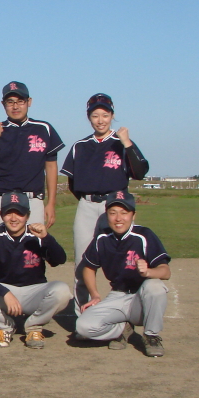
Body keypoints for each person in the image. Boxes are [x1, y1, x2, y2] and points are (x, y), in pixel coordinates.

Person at [60, 94, 149, 315]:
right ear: (89, 117)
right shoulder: (80, 146)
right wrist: (88, 199)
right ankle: (82, 315)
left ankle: (124, 314)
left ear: (112, 115)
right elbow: (73, 183)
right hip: (87, 205)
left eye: (105, 115)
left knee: (122, 259)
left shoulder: (122, 143)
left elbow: (139, 172)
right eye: (95, 115)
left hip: (115, 206)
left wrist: (127, 142)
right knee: (82, 261)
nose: (100, 120)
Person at [0, 191, 70, 349]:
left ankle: (33, 327)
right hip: (5, 292)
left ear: (27, 215)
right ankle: (5, 326)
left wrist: (47, 238)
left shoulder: (36, 235)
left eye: (19, 213)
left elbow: (60, 259)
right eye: (8, 213)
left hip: (34, 292)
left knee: (62, 290)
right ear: (1, 214)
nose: (13, 218)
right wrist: (5, 293)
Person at [76, 191, 170, 357]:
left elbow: (165, 271)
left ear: (133, 215)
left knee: (155, 286)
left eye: (124, 212)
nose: (118, 218)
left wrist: (149, 272)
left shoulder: (144, 235)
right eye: (113, 213)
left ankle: (151, 336)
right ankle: (122, 329)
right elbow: (89, 267)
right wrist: (95, 295)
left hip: (141, 297)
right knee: (83, 327)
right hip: (117, 296)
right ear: (107, 215)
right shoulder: (102, 238)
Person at [0, 81, 64, 228]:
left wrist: (51, 203)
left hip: (33, 198)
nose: (15, 106)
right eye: (10, 102)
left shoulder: (44, 128)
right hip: (2, 197)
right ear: (3, 104)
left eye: (20, 101)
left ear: (29, 102)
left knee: (33, 242)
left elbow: (51, 167)